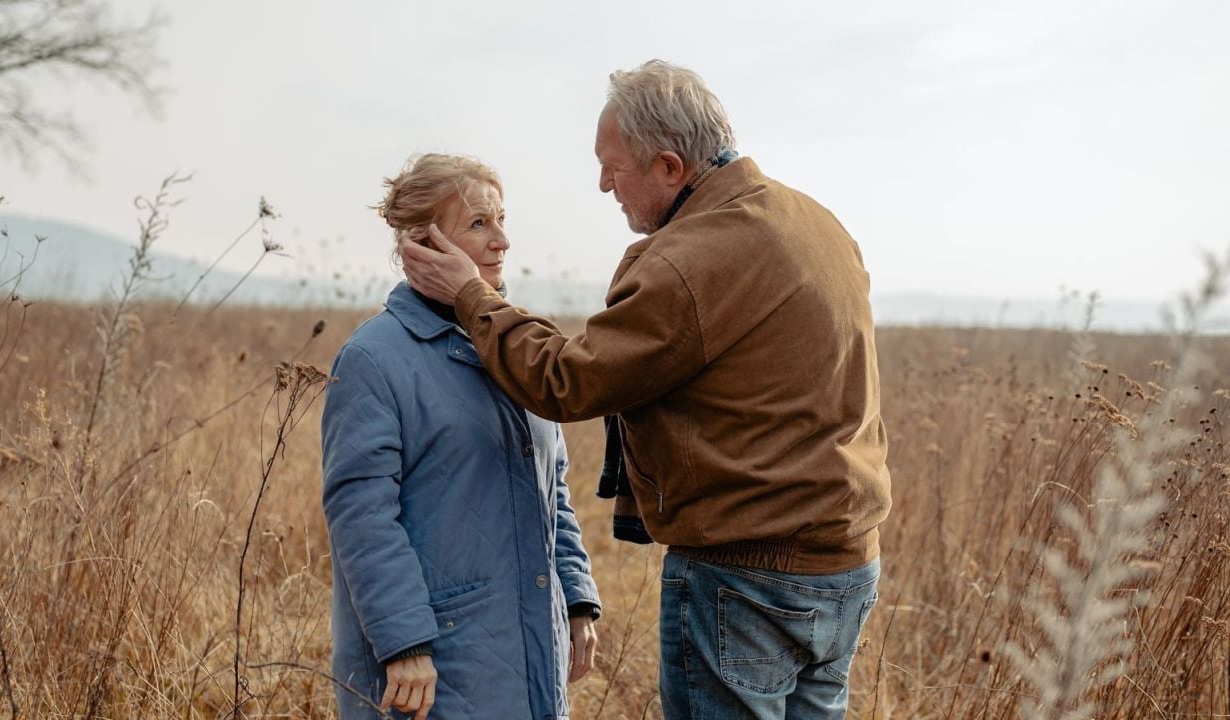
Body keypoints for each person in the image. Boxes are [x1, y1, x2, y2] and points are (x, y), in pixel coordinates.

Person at [400, 61, 892, 719]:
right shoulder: (815, 223)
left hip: (746, 580)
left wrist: (471, 297)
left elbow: (567, 381)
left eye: (614, 166)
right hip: (846, 571)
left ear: (668, 166)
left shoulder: (691, 259)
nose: (604, 184)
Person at [321, 153, 601, 720]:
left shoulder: (514, 347)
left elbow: (555, 489)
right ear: (423, 244)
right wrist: (405, 645)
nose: (501, 241)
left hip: (531, 648)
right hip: (433, 667)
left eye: (501, 221)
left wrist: (575, 595)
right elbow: (361, 517)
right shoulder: (374, 359)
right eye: (478, 224)